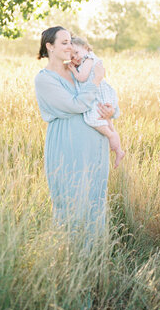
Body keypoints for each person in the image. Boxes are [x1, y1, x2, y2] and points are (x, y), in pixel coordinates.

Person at [34, 26, 119, 240]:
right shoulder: (45, 79)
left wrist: (110, 112)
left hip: (95, 146)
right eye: (64, 43)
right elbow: (77, 105)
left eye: (70, 42)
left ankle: (93, 257)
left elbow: (103, 97)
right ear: (49, 46)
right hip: (67, 146)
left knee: (94, 198)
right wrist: (95, 80)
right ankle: (68, 256)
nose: (70, 46)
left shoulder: (79, 67)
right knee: (70, 198)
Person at [69, 37, 125, 169]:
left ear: (86, 48)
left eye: (76, 53)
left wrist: (73, 70)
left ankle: (111, 136)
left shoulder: (88, 59)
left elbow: (82, 78)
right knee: (108, 122)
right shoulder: (86, 60)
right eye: (71, 57)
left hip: (99, 94)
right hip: (100, 94)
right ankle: (119, 151)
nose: (75, 58)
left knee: (93, 119)